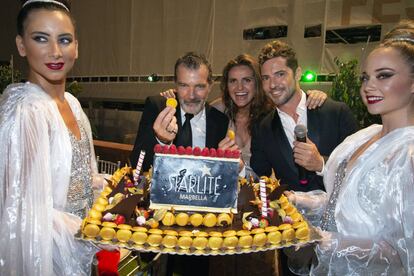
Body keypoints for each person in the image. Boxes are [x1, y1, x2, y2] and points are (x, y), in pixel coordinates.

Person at [286, 20, 414, 275]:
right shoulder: (364, 136)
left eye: (384, 75)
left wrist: (322, 241)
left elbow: (400, 252)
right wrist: (296, 201)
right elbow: (340, 206)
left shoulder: (409, 155)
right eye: (365, 77)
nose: (369, 86)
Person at [0, 1, 105, 275]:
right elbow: (25, 210)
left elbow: (75, 177)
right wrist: (95, 233)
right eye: (41, 39)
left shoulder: (72, 103)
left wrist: (105, 186)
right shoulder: (28, 112)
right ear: (22, 46)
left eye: (65, 40)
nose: (55, 52)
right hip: (52, 256)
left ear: (77, 47)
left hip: (84, 248)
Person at [160, 54, 328, 166]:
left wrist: (313, 94)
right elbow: (193, 102)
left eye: (247, 80)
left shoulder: (272, 116)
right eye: (233, 81)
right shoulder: (219, 109)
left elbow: (293, 100)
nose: (239, 87)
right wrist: (171, 97)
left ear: (258, 82)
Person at [250, 40, 358, 193]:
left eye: (280, 74)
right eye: (266, 78)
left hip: (338, 212)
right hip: (292, 215)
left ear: (298, 73)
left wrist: (321, 164)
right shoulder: (262, 128)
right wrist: (238, 168)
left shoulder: (336, 113)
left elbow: (361, 167)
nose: (272, 85)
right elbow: (260, 176)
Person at [130, 52, 233, 171]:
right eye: (184, 85)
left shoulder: (220, 121)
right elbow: (136, 165)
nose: (191, 95)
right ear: (176, 85)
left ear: (210, 86)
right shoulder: (158, 109)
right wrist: (160, 141)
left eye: (199, 86)